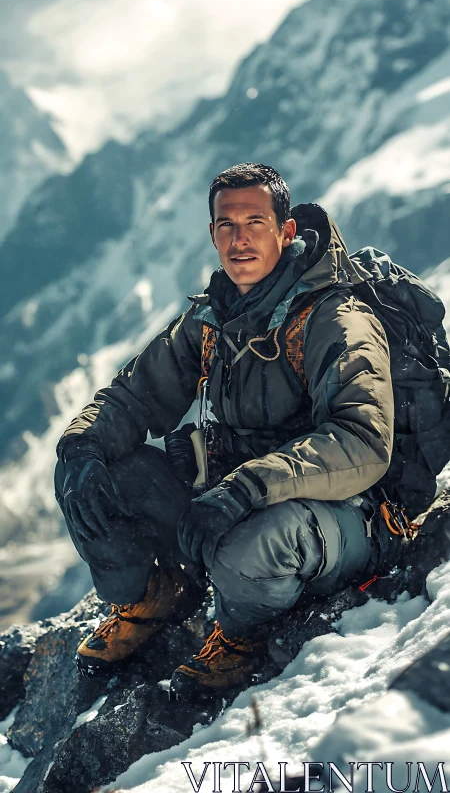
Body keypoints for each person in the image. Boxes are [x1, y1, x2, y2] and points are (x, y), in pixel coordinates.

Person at [55, 163, 398, 698]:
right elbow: (133, 396)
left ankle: (244, 635)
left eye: (255, 222)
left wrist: (246, 487)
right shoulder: (214, 318)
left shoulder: (336, 319)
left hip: (344, 514)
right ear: (212, 233)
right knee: (92, 476)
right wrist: (81, 446)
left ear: (286, 231)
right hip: (237, 496)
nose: (240, 240)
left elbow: (363, 440)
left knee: (251, 544)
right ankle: (153, 595)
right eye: (226, 225)